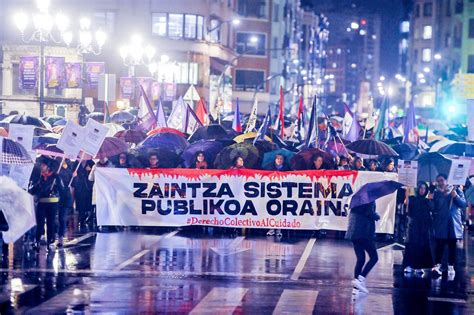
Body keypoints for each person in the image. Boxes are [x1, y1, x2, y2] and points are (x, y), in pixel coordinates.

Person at [431, 174, 467, 278]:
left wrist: (455, 196)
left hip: (453, 222)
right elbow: (434, 208)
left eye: (442, 180)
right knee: (440, 244)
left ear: (447, 181)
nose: (440, 182)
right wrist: (431, 199)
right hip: (441, 222)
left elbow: (463, 204)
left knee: (452, 245)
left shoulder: (456, 190)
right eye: (438, 181)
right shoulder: (437, 193)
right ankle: (438, 265)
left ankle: (451, 265)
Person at [30, 158, 65, 250]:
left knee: (51, 223)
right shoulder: (39, 176)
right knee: (39, 223)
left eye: (43, 165)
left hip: (52, 203)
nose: (41, 166)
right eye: (41, 165)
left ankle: (50, 241)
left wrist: (56, 188)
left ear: (48, 166)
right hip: (41, 203)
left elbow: (62, 189)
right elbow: (34, 189)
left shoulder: (55, 177)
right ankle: (37, 241)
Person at [345, 201, 379, 294]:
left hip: (354, 234)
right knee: (374, 257)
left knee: (361, 259)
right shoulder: (368, 201)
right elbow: (369, 213)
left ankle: (355, 289)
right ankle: (360, 279)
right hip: (364, 234)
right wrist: (376, 216)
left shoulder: (356, 202)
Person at [403, 182, 433, 275]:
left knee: (422, 246)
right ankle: (409, 265)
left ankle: (419, 266)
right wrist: (407, 193)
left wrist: (431, 200)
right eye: (420, 188)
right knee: (412, 245)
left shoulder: (427, 201)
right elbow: (408, 209)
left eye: (424, 188)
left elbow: (432, 210)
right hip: (414, 226)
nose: (422, 190)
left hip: (424, 227)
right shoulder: (412, 199)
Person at [266, 154, 288, 237]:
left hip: (282, 193)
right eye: (278, 159)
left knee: (280, 211)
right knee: (271, 211)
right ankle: (271, 229)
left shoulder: (286, 169)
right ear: (275, 160)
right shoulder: (269, 168)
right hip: (271, 193)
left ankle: (278, 230)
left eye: (281, 159)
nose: (279, 160)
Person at [71, 160, 94, 227]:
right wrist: (74, 175)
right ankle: (82, 219)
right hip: (79, 186)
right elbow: (72, 173)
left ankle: (89, 218)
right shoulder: (76, 163)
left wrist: (90, 170)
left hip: (88, 186)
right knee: (80, 204)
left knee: (88, 204)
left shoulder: (91, 162)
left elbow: (95, 173)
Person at [57, 159, 73, 247]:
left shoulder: (68, 167)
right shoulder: (55, 165)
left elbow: (73, 183)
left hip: (65, 196)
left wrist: (74, 176)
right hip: (56, 196)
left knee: (62, 218)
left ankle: (60, 237)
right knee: (56, 219)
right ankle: (52, 236)